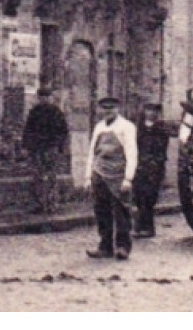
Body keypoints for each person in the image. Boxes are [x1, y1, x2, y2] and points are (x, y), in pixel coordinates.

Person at [84, 96, 137, 261]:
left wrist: (128, 178)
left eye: (111, 108)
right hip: (99, 173)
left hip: (118, 174)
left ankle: (123, 246)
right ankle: (105, 246)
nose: (108, 112)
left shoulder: (126, 127)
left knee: (121, 211)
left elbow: (131, 153)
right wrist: (88, 176)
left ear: (117, 109)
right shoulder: (99, 127)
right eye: (104, 109)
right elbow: (92, 153)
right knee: (101, 210)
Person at [22, 87, 69, 214]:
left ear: (51, 98)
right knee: (37, 176)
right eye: (42, 97)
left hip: (51, 148)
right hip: (37, 149)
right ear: (38, 98)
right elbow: (28, 130)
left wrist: (60, 147)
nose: (44, 99)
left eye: (47, 97)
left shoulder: (56, 112)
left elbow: (63, 131)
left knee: (52, 177)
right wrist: (26, 146)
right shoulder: (34, 112)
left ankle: (52, 203)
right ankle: (39, 204)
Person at [134, 102, 172, 238]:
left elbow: (162, 149)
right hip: (138, 166)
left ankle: (145, 227)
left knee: (149, 196)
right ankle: (142, 226)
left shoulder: (161, 129)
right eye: (148, 110)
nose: (151, 113)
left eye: (154, 111)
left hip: (154, 167)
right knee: (138, 196)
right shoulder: (138, 128)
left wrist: (155, 163)